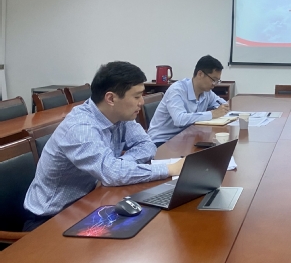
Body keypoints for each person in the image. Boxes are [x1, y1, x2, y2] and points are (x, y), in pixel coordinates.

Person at [23, 61, 184, 231]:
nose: (142, 102)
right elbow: (112, 173)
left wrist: (119, 165)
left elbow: (146, 145)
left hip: (89, 201)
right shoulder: (81, 128)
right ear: (111, 98)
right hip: (49, 220)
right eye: (137, 96)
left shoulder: (120, 116)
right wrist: (169, 169)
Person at [148, 55, 230, 146]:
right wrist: (212, 114)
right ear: (200, 74)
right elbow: (180, 120)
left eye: (218, 81)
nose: (215, 84)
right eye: (214, 80)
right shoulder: (177, 90)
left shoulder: (207, 92)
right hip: (162, 140)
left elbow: (222, 103)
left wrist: (222, 108)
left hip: (185, 137)